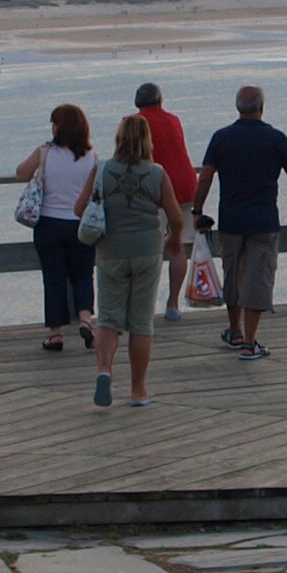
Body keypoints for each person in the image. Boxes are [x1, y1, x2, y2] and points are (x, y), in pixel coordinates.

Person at [194, 83, 287, 359]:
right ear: (261, 106)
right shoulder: (276, 138)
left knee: (233, 276)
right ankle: (249, 341)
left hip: (231, 220)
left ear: (238, 108)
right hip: (263, 220)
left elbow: (206, 176)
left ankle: (234, 332)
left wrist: (197, 210)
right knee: (258, 278)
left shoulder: (221, 138)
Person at [86, 111, 180, 407]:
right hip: (146, 250)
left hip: (110, 251)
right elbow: (176, 216)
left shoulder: (101, 169)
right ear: (147, 140)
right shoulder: (157, 173)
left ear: (118, 138)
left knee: (109, 317)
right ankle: (138, 391)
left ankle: (104, 371)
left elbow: (79, 209)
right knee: (140, 321)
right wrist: (173, 238)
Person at [14, 102, 99, 353]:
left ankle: (56, 334)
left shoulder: (46, 152)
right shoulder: (91, 156)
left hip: (49, 224)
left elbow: (20, 173)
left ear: (57, 127)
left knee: (54, 278)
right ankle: (85, 319)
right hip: (80, 224)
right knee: (83, 274)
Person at [136, 80, 196, 317]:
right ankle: (173, 304)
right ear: (160, 100)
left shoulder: (135, 123)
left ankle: (143, 307)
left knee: (148, 249)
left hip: (157, 189)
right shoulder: (174, 119)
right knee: (177, 246)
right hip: (186, 184)